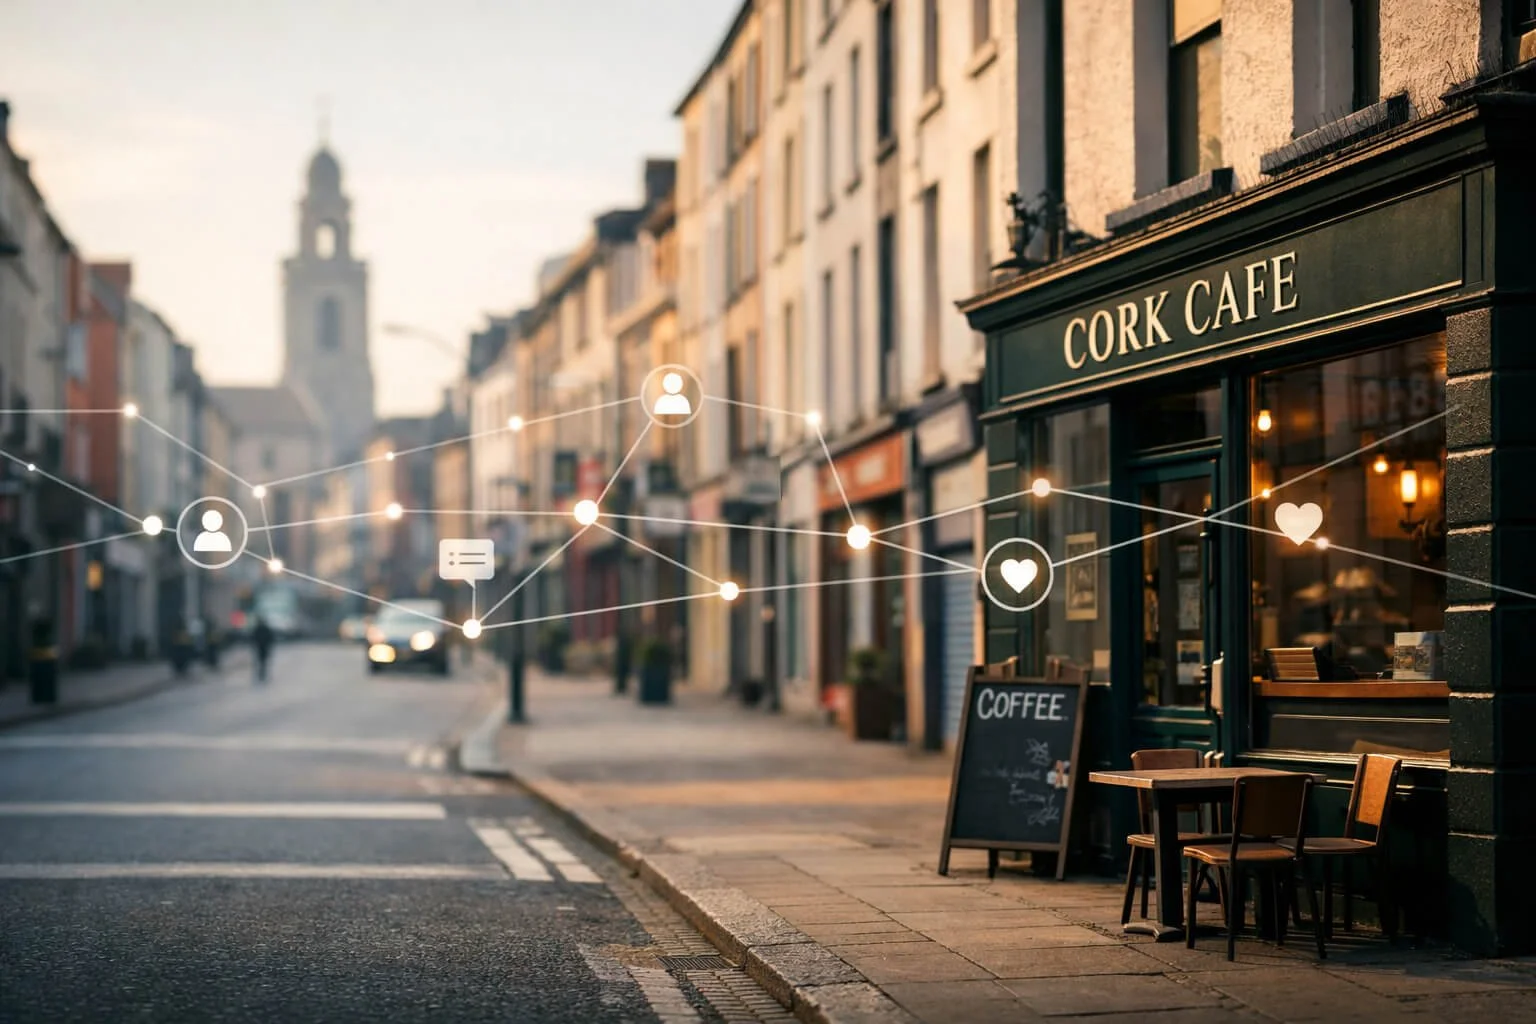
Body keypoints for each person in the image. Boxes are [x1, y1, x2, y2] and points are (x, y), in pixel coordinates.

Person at [252, 615, 275, 683]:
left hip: (261, 647)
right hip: (263, 647)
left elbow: (253, 638)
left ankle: (261, 674)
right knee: (262, 662)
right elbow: (270, 638)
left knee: (261, 662)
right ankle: (262, 674)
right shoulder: (264, 629)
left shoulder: (258, 629)